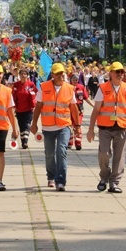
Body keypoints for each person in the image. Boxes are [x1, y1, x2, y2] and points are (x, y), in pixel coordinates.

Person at [86, 61, 126, 193]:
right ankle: (104, 177)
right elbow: (96, 110)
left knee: (119, 156)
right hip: (105, 127)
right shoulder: (103, 88)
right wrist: (91, 129)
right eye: (117, 72)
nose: (120, 74)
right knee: (104, 153)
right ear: (111, 73)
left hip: (122, 126)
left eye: (122, 72)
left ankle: (114, 183)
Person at [31, 63, 79, 191]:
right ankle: (51, 176)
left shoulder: (69, 88)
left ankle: (61, 181)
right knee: (49, 154)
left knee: (61, 151)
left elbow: (73, 108)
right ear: (52, 75)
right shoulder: (44, 87)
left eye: (62, 73)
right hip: (48, 127)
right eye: (57, 73)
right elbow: (38, 107)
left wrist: (78, 125)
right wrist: (34, 123)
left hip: (64, 125)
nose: (60, 75)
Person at [12, 68, 37, 149]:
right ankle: (23, 141)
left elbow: (35, 93)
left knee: (27, 125)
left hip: (28, 109)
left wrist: (34, 103)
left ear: (27, 75)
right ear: (19, 75)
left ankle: (25, 141)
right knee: (21, 126)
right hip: (19, 109)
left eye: (25, 74)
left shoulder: (31, 84)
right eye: (22, 74)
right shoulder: (16, 85)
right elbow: (13, 95)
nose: (23, 75)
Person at [69, 73, 93, 150]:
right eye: (73, 80)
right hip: (70, 109)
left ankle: (78, 143)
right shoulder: (68, 87)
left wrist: (93, 105)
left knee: (78, 125)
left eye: (76, 80)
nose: (75, 81)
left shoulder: (81, 87)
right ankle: (69, 142)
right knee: (70, 126)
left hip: (79, 110)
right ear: (71, 80)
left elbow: (86, 98)